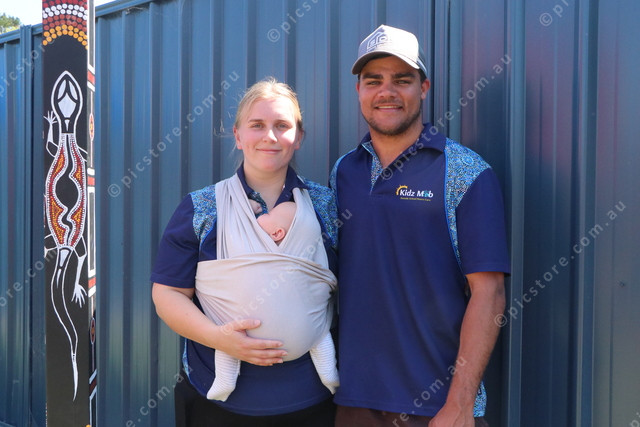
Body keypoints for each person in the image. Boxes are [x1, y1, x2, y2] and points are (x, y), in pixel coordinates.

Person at [330, 25, 510, 427]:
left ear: (424, 88)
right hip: (355, 401)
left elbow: (490, 293)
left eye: (402, 80)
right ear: (359, 90)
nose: (387, 92)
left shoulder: (466, 172)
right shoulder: (344, 171)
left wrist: (459, 404)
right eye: (373, 81)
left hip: (437, 409)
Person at [151, 77, 339, 427]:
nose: (269, 136)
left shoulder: (325, 205)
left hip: (311, 400)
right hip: (218, 403)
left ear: (299, 137)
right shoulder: (202, 207)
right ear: (238, 136)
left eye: (282, 125)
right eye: (257, 125)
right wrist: (220, 339)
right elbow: (167, 294)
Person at [203, 198, 339, 401]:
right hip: (301, 331)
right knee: (320, 334)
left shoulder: (254, 246)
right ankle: (329, 374)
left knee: (229, 331)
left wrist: (249, 208)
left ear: (277, 234)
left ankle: (225, 379)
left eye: (268, 214)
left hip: (251, 325)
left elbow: (236, 226)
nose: (263, 212)